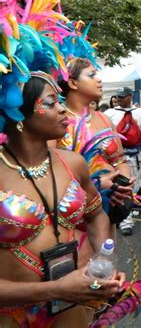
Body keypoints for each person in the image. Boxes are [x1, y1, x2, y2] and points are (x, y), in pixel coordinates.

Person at [0, 72, 124, 326]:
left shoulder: (73, 163)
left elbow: (96, 214)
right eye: (51, 102)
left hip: (71, 307)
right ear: (18, 114)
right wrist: (56, 289)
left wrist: (102, 262)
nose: (63, 110)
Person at [57, 58, 134, 238]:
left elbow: (120, 160)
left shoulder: (104, 119)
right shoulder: (58, 120)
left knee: (105, 261)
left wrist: (121, 188)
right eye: (92, 75)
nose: (98, 80)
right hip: (73, 215)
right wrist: (96, 187)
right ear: (72, 83)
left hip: (107, 209)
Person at [104, 87, 141, 235]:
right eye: (118, 97)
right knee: (118, 186)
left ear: (130, 97)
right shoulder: (109, 113)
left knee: (134, 185)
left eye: (122, 97)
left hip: (135, 155)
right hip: (114, 157)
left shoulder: (140, 113)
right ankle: (125, 221)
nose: (119, 99)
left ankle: (124, 215)